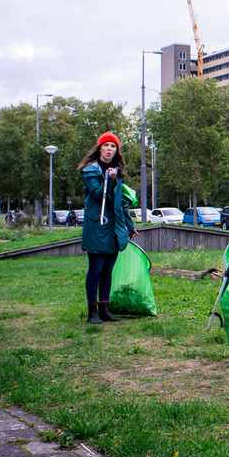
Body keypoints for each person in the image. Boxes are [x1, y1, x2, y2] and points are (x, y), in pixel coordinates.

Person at [79, 131, 138, 325]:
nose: (109, 149)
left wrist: (129, 226)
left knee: (107, 271)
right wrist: (109, 179)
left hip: (114, 228)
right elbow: (98, 194)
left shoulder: (117, 172)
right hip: (97, 226)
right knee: (95, 270)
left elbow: (121, 203)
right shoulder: (90, 170)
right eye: (106, 145)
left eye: (113, 146)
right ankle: (92, 312)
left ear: (116, 151)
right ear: (99, 148)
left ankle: (105, 310)